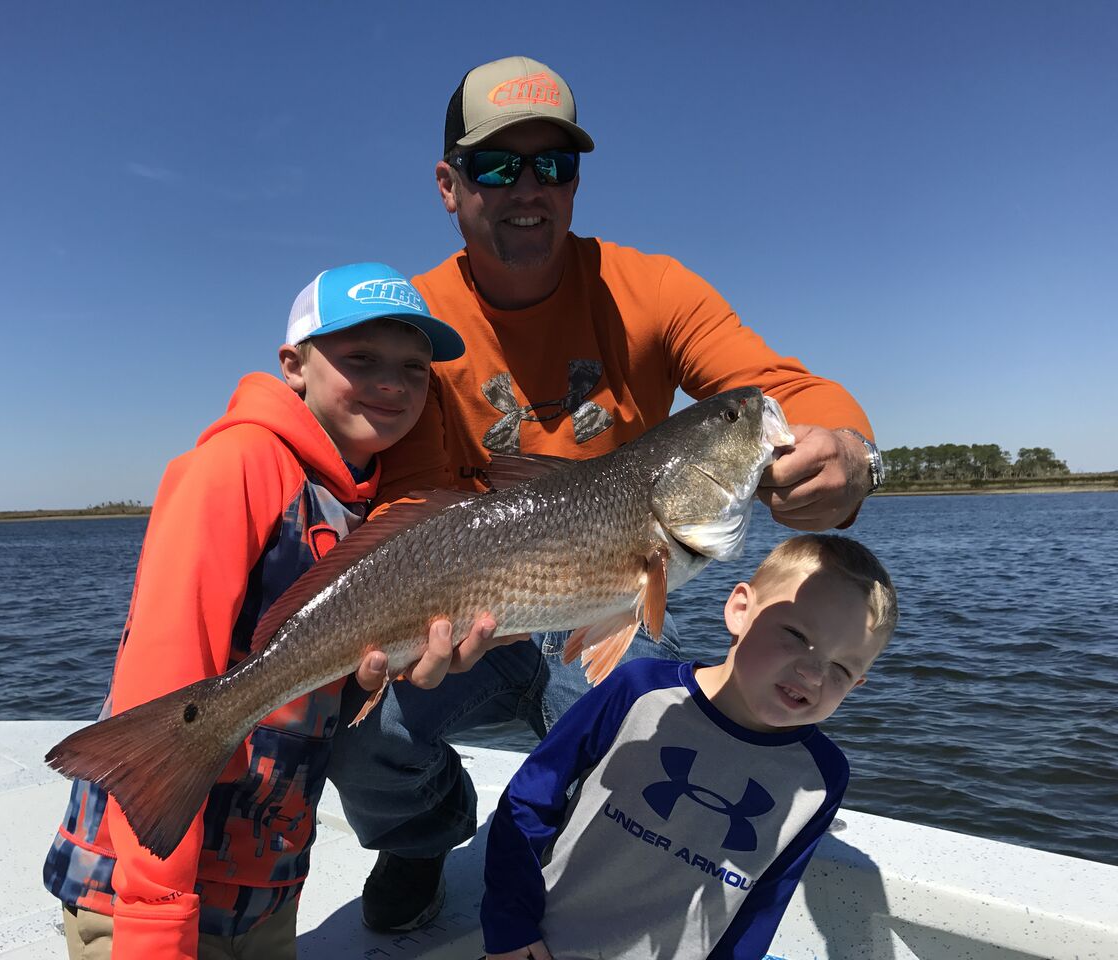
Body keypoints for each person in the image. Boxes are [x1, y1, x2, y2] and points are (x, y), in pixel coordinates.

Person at [325, 55, 887, 933]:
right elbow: (420, 506)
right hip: (477, 598)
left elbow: (781, 393)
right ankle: (423, 839)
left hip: (613, 588)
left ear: (577, 179)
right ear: (448, 183)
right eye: (496, 164)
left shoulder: (651, 291)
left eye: (553, 164)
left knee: (634, 754)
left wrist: (851, 456)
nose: (527, 187)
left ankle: (567, 886)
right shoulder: (422, 327)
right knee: (369, 746)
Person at [42, 262, 472, 960]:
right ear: (293, 366)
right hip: (140, 894)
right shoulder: (236, 464)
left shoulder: (373, 507)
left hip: (264, 890)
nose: (393, 383)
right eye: (361, 359)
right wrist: (153, 921)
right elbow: (163, 671)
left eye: (415, 368)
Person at [481, 534, 898, 960]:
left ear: (858, 684)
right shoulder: (639, 690)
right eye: (795, 634)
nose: (812, 673)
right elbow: (530, 799)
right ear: (740, 610)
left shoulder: (823, 777)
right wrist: (509, 922)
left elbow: (765, 902)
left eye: (843, 668)